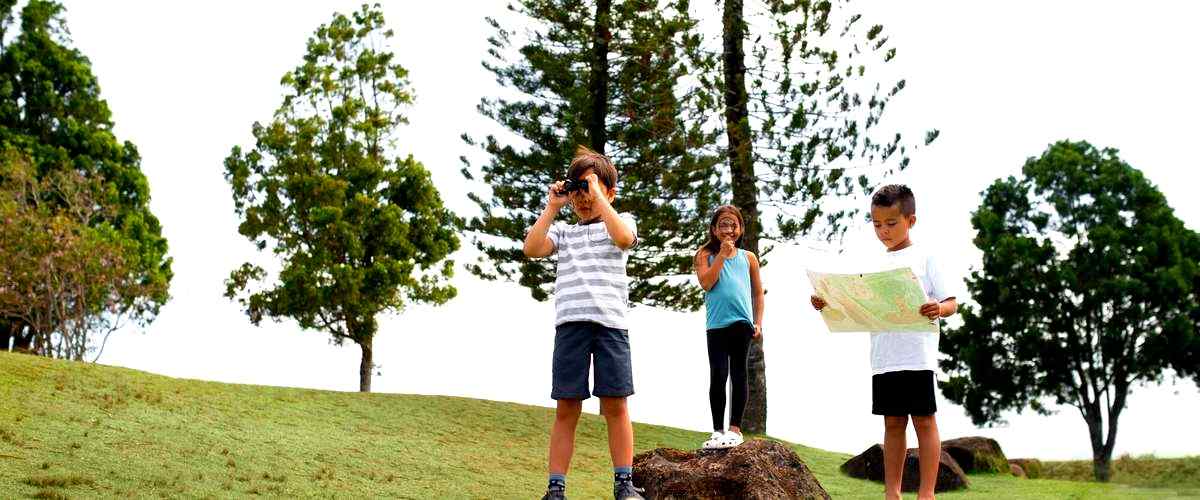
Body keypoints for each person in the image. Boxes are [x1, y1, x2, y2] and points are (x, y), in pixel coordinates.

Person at [811, 184, 957, 500]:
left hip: (917, 356)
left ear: (911, 220)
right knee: (892, 423)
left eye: (891, 224)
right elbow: (857, 305)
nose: (883, 231)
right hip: (884, 357)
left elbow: (951, 303)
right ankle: (892, 493)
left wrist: (938, 308)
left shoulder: (925, 257)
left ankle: (926, 493)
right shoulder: (874, 263)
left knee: (924, 420)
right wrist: (828, 303)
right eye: (877, 224)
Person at [523, 146, 644, 500]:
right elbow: (532, 248)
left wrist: (599, 196)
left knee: (616, 404)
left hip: (611, 326)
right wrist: (552, 206)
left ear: (610, 192)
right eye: (578, 191)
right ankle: (556, 488)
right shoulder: (564, 233)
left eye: (590, 189)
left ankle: (624, 483)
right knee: (566, 406)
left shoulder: (621, 224)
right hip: (571, 326)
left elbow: (623, 238)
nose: (583, 198)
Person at [693, 205, 763, 450]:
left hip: (742, 323)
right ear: (714, 229)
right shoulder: (704, 254)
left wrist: (759, 322)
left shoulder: (749, 258)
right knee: (718, 374)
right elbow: (707, 283)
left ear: (740, 229)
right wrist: (721, 255)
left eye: (733, 225)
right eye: (723, 224)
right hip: (716, 324)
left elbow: (757, 293)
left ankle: (735, 429)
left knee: (739, 373)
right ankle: (717, 430)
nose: (729, 229)